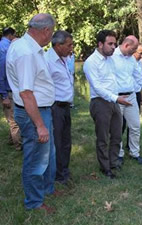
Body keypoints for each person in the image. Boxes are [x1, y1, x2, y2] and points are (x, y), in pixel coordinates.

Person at [6, 13, 57, 213]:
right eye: (51, 32)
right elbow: (26, 93)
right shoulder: (26, 52)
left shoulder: (29, 48)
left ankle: (46, 190)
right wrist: (40, 125)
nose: (51, 36)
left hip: (40, 110)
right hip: (33, 113)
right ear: (45, 31)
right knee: (36, 159)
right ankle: (34, 203)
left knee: (45, 155)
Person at [83, 30, 131, 179]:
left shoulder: (110, 59)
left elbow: (113, 80)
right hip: (100, 102)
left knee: (117, 135)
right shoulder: (91, 62)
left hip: (113, 100)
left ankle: (113, 163)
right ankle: (105, 169)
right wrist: (116, 98)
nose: (113, 47)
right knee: (103, 137)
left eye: (114, 43)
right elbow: (97, 87)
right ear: (100, 44)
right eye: (110, 44)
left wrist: (117, 96)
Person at [112, 35, 142, 165]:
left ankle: (135, 153)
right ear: (126, 45)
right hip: (118, 98)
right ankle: (119, 154)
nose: (134, 52)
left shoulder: (132, 60)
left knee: (135, 126)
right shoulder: (112, 57)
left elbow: (139, 78)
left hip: (132, 96)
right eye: (133, 49)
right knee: (118, 128)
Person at [45, 30, 74, 184]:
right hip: (54, 106)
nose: (72, 48)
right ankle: (57, 175)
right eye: (69, 45)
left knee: (66, 141)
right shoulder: (47, 61)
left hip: (65, 106)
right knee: (57, 142)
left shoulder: (64, 59)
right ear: (58, 45)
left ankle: (64, 171)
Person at [0, 27, 21, 150]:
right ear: (11, 35)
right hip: (7, 90)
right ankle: (18, 145)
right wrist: (4, 96)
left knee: (11, 117)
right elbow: (1, 74)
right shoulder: (6, 50)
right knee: (14, 119)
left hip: (8, 88)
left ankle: (11, 140)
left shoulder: (3, 46)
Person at [122, 44, 142, 149]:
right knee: (122, 122)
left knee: (134, 123)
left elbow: (140, 79)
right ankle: (117, 147)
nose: (141, 56)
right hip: (126, 94)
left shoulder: (140, 63)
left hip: (136, 94)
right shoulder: (125, 62)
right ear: (133, 51)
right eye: (140, 53)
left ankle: (130, 145)